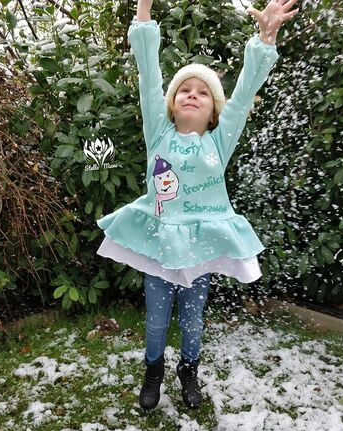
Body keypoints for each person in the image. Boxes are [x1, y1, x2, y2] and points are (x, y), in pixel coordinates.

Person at [96, 0, 300, 410]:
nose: (192, 94)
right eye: (184, 90)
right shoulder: (159, 133)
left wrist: (265, 38)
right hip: (159, 246)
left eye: (203, 92)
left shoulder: (219, 141)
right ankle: (153, 374)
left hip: (201, 248)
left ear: (213, 112)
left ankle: (189, 371)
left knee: (192, 320)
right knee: (156, 320)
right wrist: (143, 10)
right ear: (171, 104)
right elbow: (148, 75)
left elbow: (244, 95)